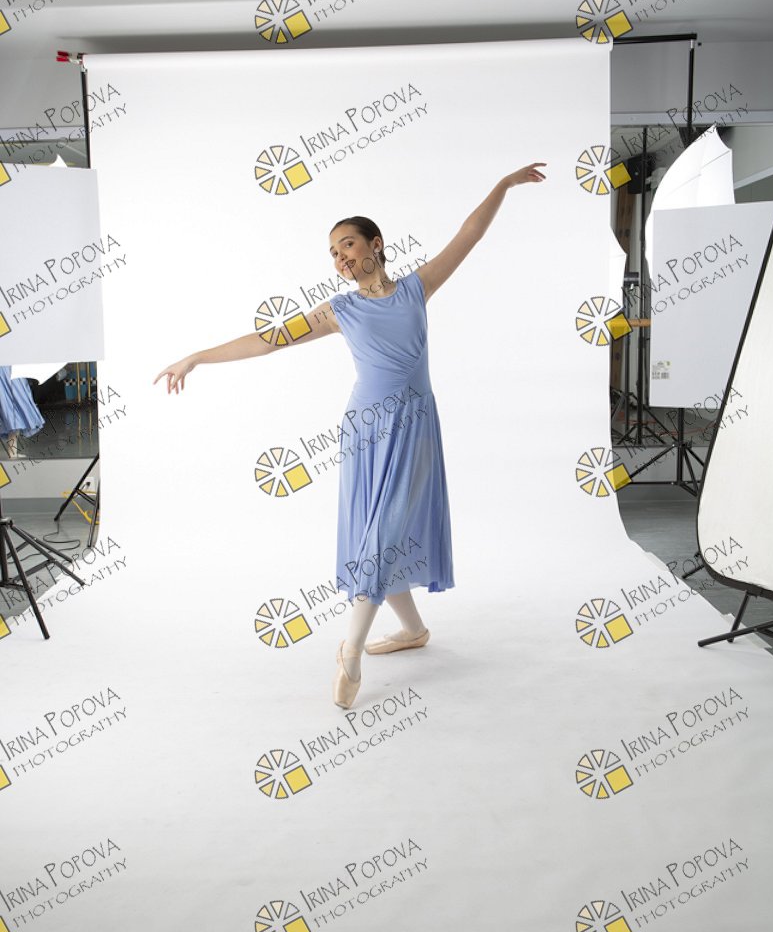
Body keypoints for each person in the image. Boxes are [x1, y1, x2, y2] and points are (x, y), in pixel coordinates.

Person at [154, 162, 546, 707]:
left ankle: (350, 651)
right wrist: (196, 356)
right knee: (375, 532)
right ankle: (412, 631)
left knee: (384, 532)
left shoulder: (416, 289)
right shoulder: (339, 311)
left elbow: (469, 234)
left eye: (348, 245)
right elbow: (269, 339)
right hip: (364, 431)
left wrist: (503, 185)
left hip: (414, 427)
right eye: (333, 253)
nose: (340, 258)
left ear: (375, 245)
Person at [0, 366, 46, 459]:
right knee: (15, 414)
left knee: (16, 417)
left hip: (12, 373)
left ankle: (12, 452)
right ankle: (12, 452)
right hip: (9, 374)